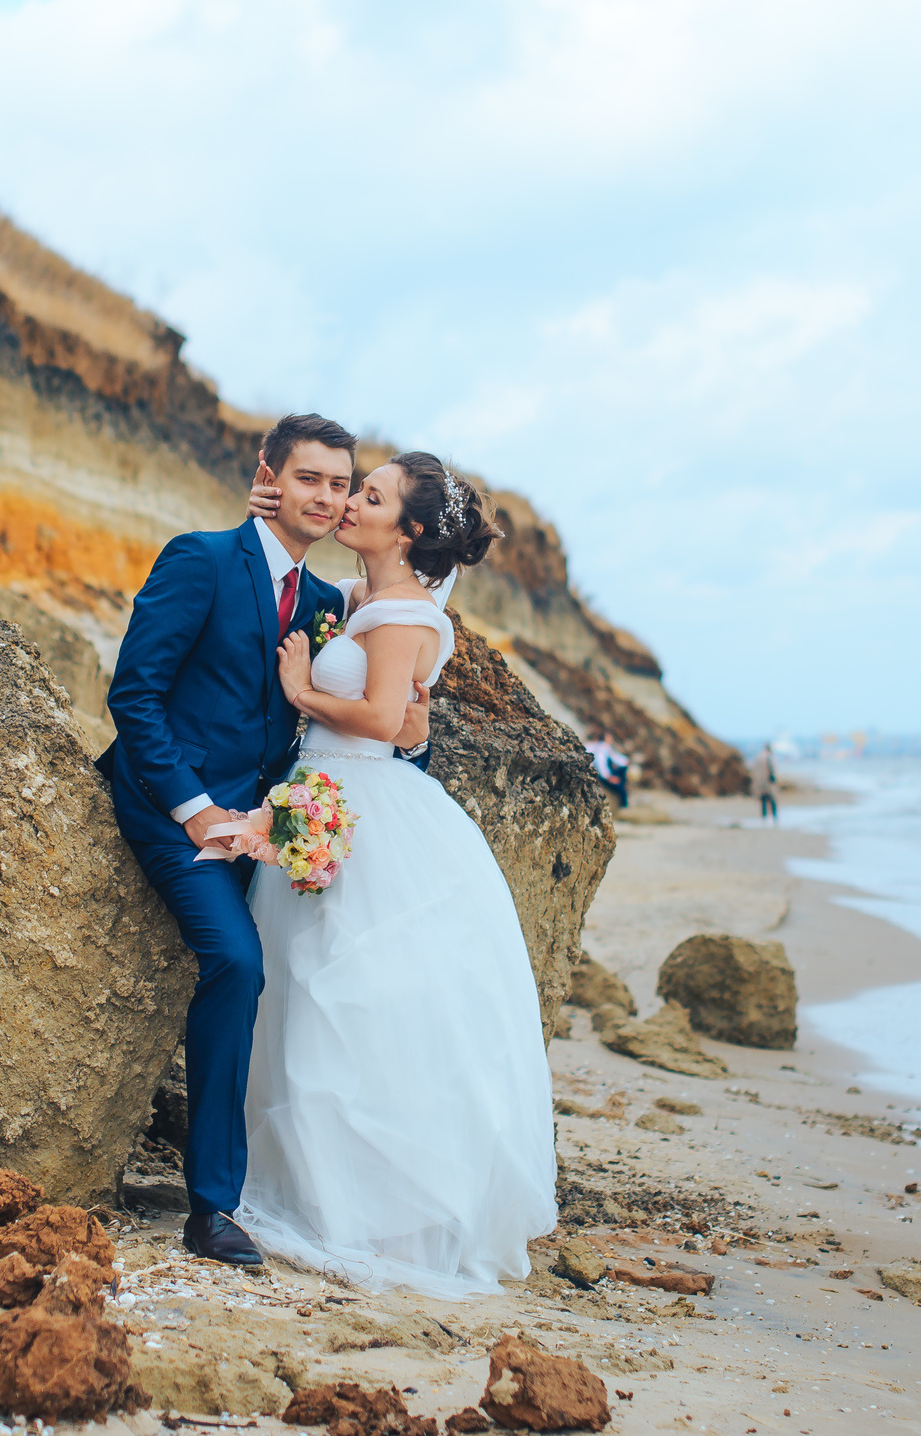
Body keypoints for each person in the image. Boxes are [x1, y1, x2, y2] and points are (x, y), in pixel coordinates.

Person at [99, 416, 432, 1268]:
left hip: (271, 825)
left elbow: (365, 715)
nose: (326, 497)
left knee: (336, 976)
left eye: (339, 483)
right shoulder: (201, 559)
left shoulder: (331, 607)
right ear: (269, 477)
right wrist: (197, 811)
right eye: (309, 478)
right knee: (238, 963)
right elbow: (135, 695)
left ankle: (349, 1183)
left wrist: (411, 723)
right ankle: (213, 1207)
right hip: (171, 806)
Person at [232, 452, 558, 1295]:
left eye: (369, 496)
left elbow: (382, 718)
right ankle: (314, 1188)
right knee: (304, 998)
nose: (349, 503)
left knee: (359, 1003)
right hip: (325, 796)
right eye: (352, 489)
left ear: (409, 529)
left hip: (367, 810)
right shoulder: (359, 598)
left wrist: (304, 692)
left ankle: (372, 1212)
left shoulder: (406, 609)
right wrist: (268, 510)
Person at [586, 732, 629, 807]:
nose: (611, 739)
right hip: (602, 776)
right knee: (621, 787)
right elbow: (600, 764)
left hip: (605, 773)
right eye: (609, 737)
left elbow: (617, 758)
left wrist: (626, 762)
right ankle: (623, 806)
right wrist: (608, 777)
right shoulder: (601, 748)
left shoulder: (606, 747)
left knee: (623, 769)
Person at [759, 745, 779, 823]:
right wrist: (774, 780)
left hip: (760, 783)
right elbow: (772, 769)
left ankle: (764, 818)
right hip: (768, 782)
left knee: (763, 800)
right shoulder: (769, 757)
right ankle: (774, 817)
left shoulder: (759, 757)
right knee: (772, 800)